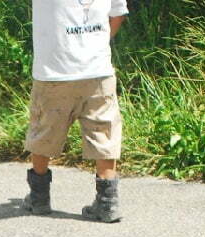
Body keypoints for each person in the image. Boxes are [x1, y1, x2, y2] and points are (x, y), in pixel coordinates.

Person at [23, 0, 128, 221]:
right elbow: (117, 15)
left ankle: (39, 196)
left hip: (54, 70)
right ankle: (107, 201)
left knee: (44, 130)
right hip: (97, 69)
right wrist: (94, 44)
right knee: (103, 130)